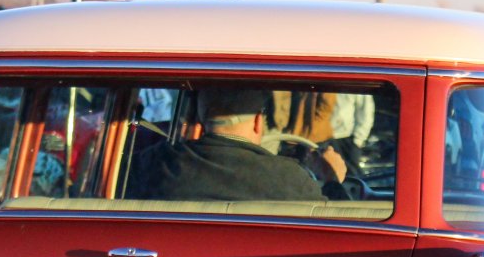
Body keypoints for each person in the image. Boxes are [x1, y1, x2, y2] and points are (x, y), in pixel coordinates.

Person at [138, 86, 347, 201]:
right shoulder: (290, 178)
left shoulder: (156, 163)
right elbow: (335, 232)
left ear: (202, 119)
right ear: (258, 122)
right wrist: (333, 181)